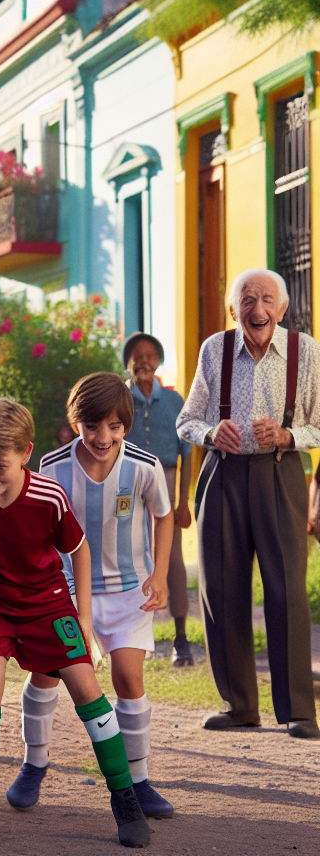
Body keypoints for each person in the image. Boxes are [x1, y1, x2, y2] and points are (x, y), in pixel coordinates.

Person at [0, 398, 152, 849]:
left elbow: (78, 549)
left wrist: (82, 617)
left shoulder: (48, 497)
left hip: (48, 604)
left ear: (26, 452)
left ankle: (125, 797)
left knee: (87, 690)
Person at [12, 373, 174, 819]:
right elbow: (41, 527)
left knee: (127, 680)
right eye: (92, 426)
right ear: (75, 422)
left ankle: (138, 780)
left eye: (115, 427)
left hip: (128, 593)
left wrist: (159, 575)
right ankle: (34, 764)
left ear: (127, 425)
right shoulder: (52, 466)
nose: (103, 437)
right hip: (63, 592)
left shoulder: (145, 466)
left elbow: (164, 517)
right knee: (47, 675)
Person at [178, 268, 320, 740]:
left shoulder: (306, 351)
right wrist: (211, 432)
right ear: (232, 308)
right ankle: (239, 706)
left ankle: (299, 710)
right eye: (247, 299)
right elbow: (187, 419)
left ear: (281, 309)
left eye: (266, 300)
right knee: (221, 590)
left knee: (286, 592)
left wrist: (288, 435)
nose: (257, 309)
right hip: (223, 475)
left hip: (281, 474)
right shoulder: (214, 350)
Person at [122, 332, 195, 667]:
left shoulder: (174, 400)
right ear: (129, 363)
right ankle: (140, 637)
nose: (145, 361)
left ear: (159, 361)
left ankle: (182, 640)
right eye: (138, 356)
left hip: (165, 480)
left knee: (172, 558)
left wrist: (183, 502)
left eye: (151, 355)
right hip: (129, 481)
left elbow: (186, 453)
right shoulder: (120, 398)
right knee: (132, 555)